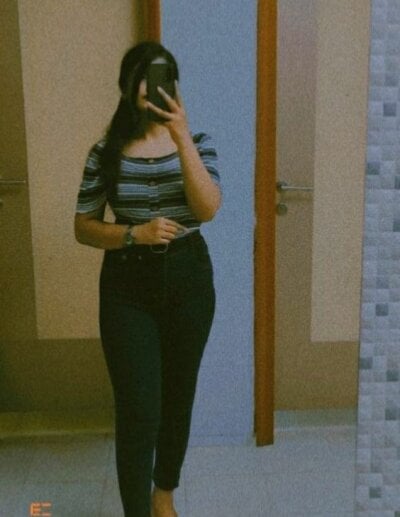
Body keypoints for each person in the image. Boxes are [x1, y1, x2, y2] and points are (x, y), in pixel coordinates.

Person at [74, 41, 222, 517]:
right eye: (141, 75)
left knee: (178, 398)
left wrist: (180, 136)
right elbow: (83, 226)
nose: (150, 85)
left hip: (189, 281)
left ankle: (163, 497)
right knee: (139, 409)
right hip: (127, 288)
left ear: (173, 86)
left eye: (160, 76)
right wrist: (132, 234)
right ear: (126, 85)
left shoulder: (197, 142)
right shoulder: (106, 152)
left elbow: (207, 209)